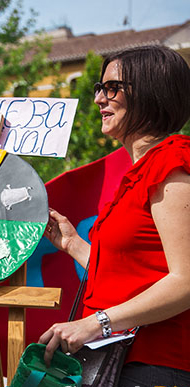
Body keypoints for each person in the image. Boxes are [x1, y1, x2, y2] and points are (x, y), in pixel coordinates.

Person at [38, 46, 190, 387]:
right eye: (99, 89)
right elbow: (132, 277)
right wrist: (74, 245)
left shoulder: (173, 163)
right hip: (121, 363)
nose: (99, 100)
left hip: (155, 367)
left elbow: (186, 280)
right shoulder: (139, 173)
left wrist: (95, 324)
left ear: (151, 91)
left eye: (112, 88)